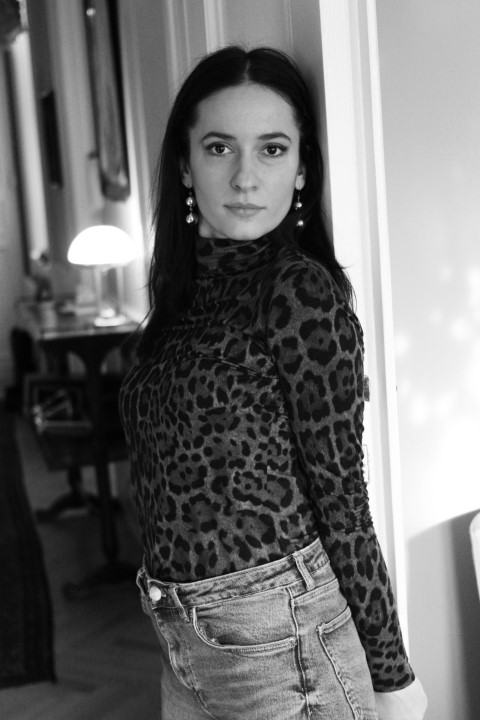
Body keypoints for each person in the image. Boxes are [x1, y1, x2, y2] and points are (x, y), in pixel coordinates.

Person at [119, 45, 427, 720]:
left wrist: (392, 673)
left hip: (284, 644)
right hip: (182, 639)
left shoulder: (298, 292)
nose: (245, 177)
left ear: (301, 169)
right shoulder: (182, 297)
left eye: (272, 149)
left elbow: (341, 494)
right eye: (220, 148)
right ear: (185, 164)